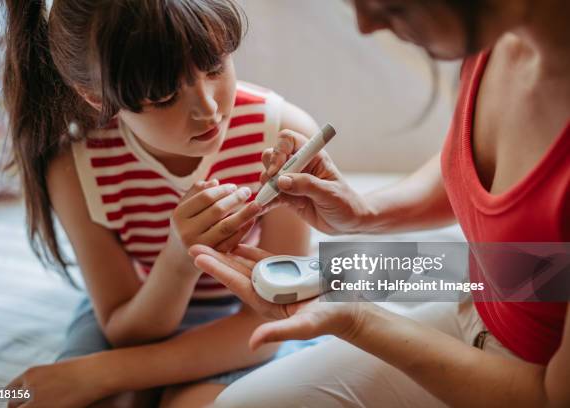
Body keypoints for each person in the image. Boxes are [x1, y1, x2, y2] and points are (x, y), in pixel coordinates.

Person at [188, 0, 570, 406]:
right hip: (483, 289)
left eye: (388, 5)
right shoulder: (495, 35)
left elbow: (551, 397)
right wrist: (361, 213)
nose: (366, 26)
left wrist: (356, 320)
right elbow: (480, 168)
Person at [0, 0, 319, 407]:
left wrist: (100, 373)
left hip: (244, 327)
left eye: (216, 68)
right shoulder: (76, 167)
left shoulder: (282, 134)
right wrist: (178, 260)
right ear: (95, 96)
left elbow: (273, 317)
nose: (209, 109)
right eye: (166, 95)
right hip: (140, 310)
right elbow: (124, 329)